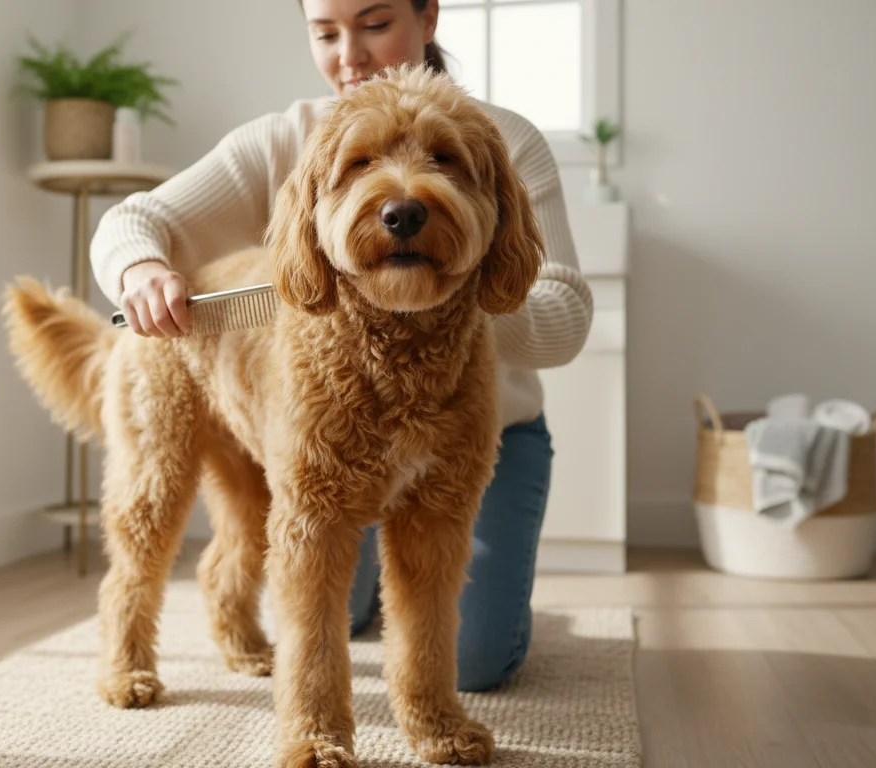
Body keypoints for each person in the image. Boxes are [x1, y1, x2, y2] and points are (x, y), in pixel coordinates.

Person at [89, 0, 592, 692]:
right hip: (284, 389)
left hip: (493, 427)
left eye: (374, 24)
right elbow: (133, 219)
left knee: (475, 660)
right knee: (303, 584)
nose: (349, 55)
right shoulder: (287, 139)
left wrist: (456, 293)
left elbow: (565, 315)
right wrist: (139, 270)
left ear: (428, 16)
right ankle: (132, 642)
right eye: (325, 33)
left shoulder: (502, 138)